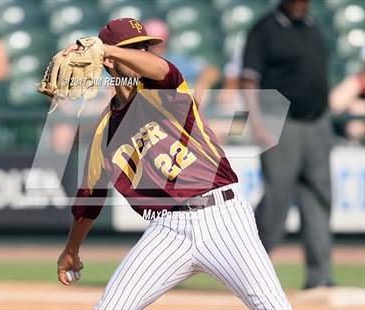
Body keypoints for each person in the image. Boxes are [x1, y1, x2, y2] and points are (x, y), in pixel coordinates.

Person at [56, 18, 291, 309]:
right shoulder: (105, 131)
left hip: (222, 216)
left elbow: (162, 69)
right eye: (134, 47)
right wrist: (71, 250)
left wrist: (110, 50)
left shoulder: (167, 90)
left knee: (272, 305)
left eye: (146, 47)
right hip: (167, 228)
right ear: (108, 63)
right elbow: (90, 199)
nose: (144, 53)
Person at [241, 0, 334, 289]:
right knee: (277, 199)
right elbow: (248, 80)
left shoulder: (313, 26)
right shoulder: (265, 29)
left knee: (318, 198)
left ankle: (320, 277)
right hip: (279, 120)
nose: (300, 5)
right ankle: (246, 270)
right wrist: (255, 123)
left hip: (317, 121)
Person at [143, 18, 221, 106]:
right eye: (151, 43)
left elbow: (211, 71)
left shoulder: (175, 60)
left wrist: (200, 90)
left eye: (159, 43)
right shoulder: (137, 64)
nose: (156, 47)